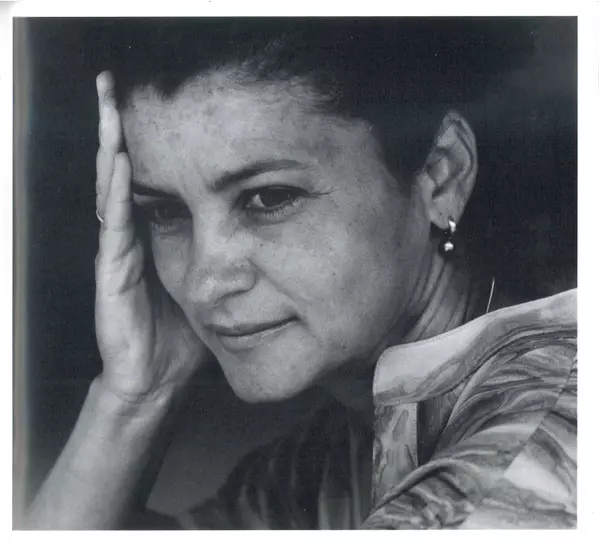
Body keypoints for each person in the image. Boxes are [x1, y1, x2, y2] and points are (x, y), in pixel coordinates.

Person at [23, 19, 576, 529]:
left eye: (268, 198)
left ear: (441, 174)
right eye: (166, 212)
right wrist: (137, 394)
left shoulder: (521, 471)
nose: (202, 284)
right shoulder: (334, 453)